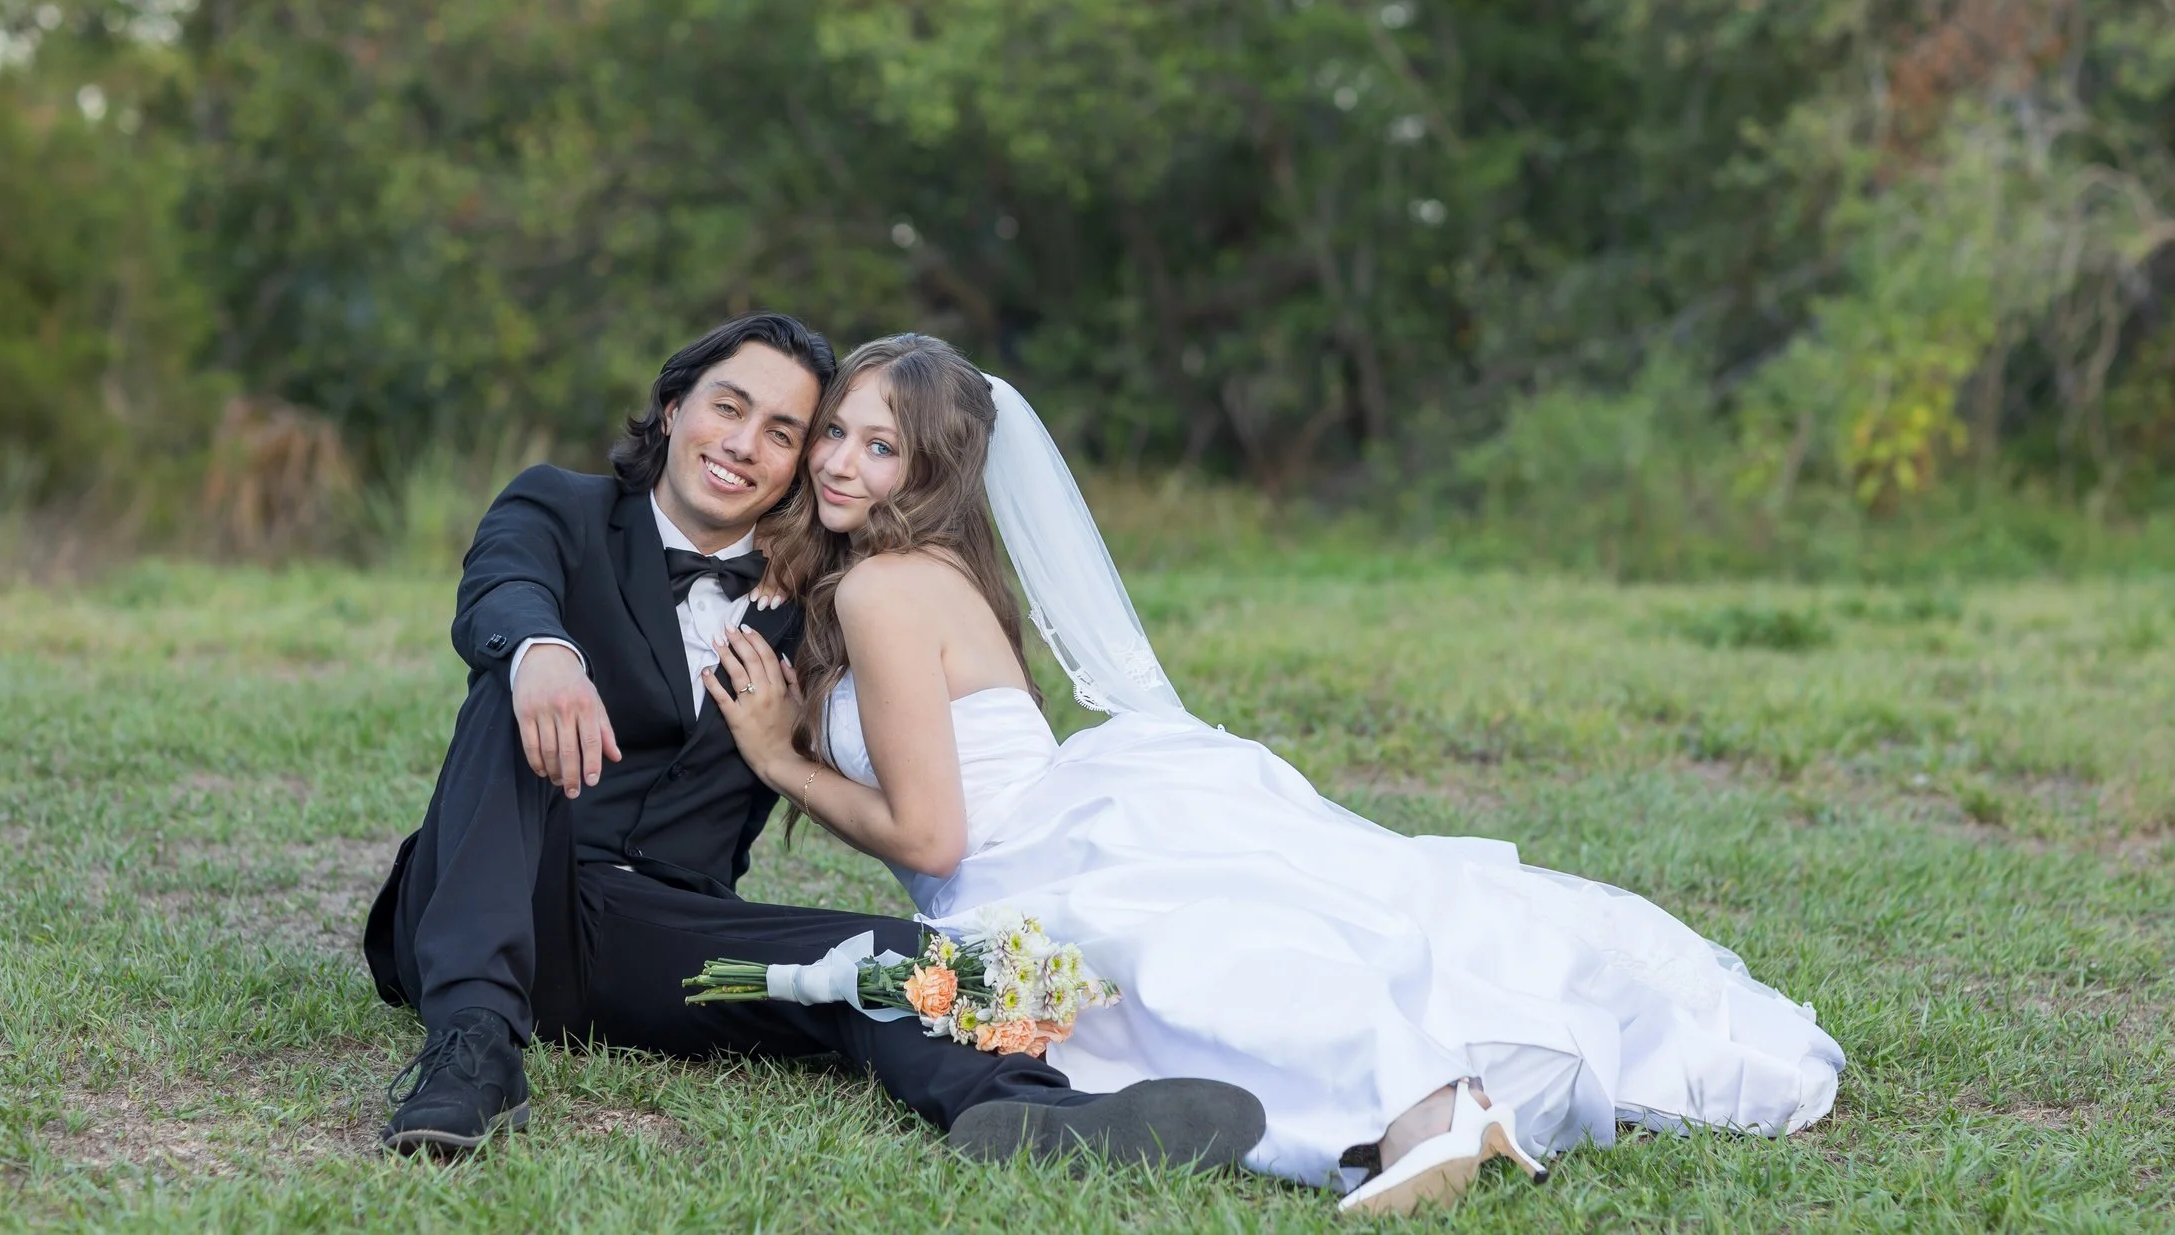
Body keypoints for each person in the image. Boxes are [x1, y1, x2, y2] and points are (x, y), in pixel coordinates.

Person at [703, 333, 1846, 1217]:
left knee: (1193, 971)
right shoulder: (920, 570)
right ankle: (1429, 1103)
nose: (842, 460)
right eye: (837, 432)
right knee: (1184, 988)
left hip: (1026, 854)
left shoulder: (881, 589)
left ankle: (1428, 1106)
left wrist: (776, 759)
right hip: (1073, 818)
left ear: (932, 466)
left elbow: (932, 835)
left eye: (880, 443)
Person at [360, 311, 1264, 1166]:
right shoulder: (559, 508)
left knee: (877, 960)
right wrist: (541, 650)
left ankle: (1034, 1109)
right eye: (728, 406)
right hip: (497, 897)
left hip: (656, 938)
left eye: (785, 430)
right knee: (511, 683)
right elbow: (501, 587)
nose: (745, 443)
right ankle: (473, 1049)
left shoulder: (823, 602)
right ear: (675, 408)